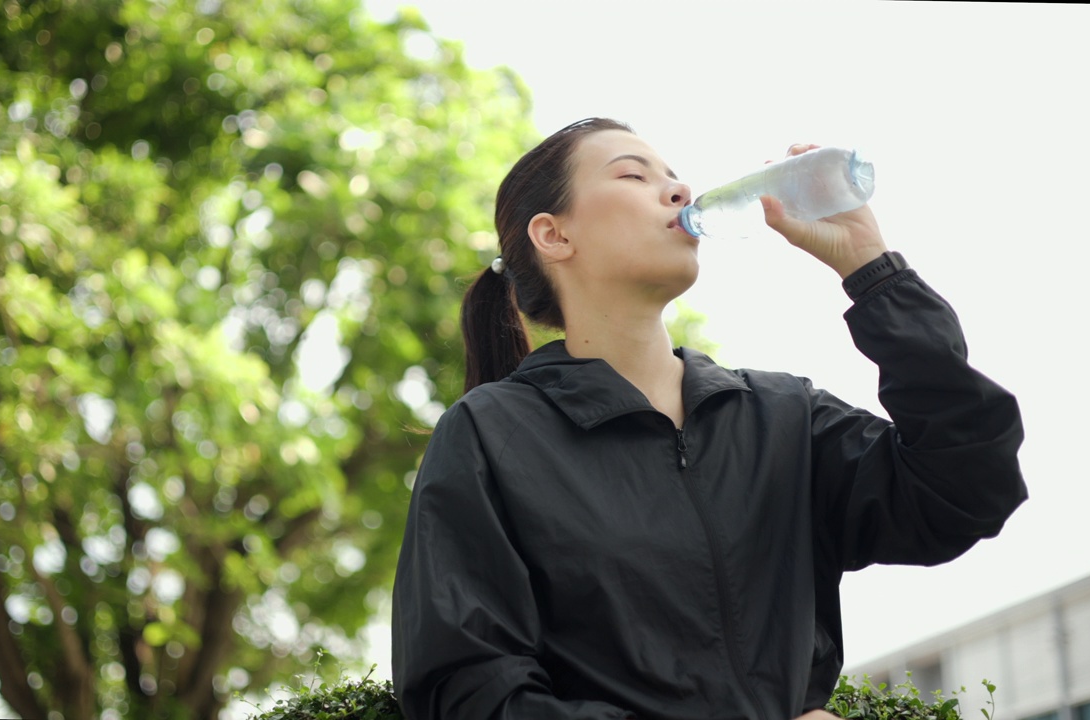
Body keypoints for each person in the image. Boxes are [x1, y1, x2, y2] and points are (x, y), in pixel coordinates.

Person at [390, 118, 1027, 720]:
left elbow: (964, 488)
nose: (679, 189)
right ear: (554, 235)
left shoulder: (783, 419)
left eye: (673, 175)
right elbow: (465, 688)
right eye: (634, 176)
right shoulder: (491, 437)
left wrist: (870, 270)